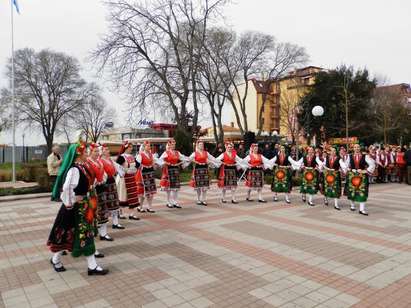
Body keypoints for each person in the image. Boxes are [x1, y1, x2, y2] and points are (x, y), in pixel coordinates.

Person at [47, 142, 108, 275]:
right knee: (69, 235)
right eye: (85, 152)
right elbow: (67, 187)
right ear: (78, 155)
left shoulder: (83, 167)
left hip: (82, 206)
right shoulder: (74, 169)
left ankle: (91, 266)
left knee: (83, 235)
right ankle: (56, 259)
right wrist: (72, 201)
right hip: (74, 208)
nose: (87, 154)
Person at [87, 143, 112, 241]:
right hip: (93, 190)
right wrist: (95, 182)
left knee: (104, 211)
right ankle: (94, 233)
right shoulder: (88, 162)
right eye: (95, 151)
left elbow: (104, 173)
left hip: (101, 189)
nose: (97, 153)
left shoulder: (99, 162)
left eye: (98, 151)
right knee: (95, 212)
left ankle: (104, 233)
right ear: (90, 152)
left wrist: (103, 180)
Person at [342, 144, 375, 215]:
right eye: (355, 147)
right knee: (352, 190)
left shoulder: (365, 156)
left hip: (362, 176)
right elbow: (345, 165)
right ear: (353, 148)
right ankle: (352, 206)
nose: (356, 148)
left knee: (362, 191)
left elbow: (372, 164)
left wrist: (365, 171)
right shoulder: (349, 156)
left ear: (360, 148)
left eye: (358, 147)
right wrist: (350, 169)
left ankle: (362, 209)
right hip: (352, 176)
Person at [99, 144, 124, 230]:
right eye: (105, 150)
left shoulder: (110, 160)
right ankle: (103, 223)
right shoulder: (100, 161)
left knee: (114, 203)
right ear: (101, 151)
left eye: (108, 149)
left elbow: (118, 167)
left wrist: (121, 172)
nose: (108, 151)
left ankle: (115, 223)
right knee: (105, 204)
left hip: (112, 182)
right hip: (105, 184)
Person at [189, 140, 219, 206]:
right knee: (198, 186)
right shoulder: (195, 153)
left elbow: (212, 158)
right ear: (197, 145)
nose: (201, 146)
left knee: (205, 186)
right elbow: (189, 159)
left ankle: (204, 199)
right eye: (200, 145)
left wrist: (214, 162)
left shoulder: (206, 153)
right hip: (198, 170)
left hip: (205, 169)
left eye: (202, 145)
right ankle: (198, 199)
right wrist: (195, 161)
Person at [159, 139, 187, 208]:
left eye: (174, 144)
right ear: (169, 145)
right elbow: (160, 159)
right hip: (168, 170)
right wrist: (166, 163)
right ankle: (168, 202)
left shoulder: (177, 152)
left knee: (176, 187)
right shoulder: (166, 152)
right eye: (172, 144)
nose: (174, 146)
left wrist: (183, 162)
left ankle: (175, 201)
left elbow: (183, 158)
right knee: (168, 188)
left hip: (175, 170)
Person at [116, 141, 140, 220]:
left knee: (133, 196)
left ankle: (131, 214)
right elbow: (117, 167)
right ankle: (121, 212)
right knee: (122, 195)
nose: (131, 148)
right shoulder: (121, 157)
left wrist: (135, 168)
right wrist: (124, 171)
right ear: (125, 147)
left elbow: (137, 165)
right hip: (124, 179)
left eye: (131, 147)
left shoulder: (132, 156)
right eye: (130, 147)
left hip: (131, 178)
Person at [135, 141, 158, 213]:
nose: (149, 147)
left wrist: (154, 165)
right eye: (147, 146)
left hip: (150, 174)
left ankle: (149, 207)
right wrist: (143, 166)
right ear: (144, 147)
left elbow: (154, 163)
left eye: (149, 146)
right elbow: (137, 165)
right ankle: (140, 206)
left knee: (150, 191)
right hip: (142, 174)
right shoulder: (140, 155)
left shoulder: (151, 155)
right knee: (142, 192)